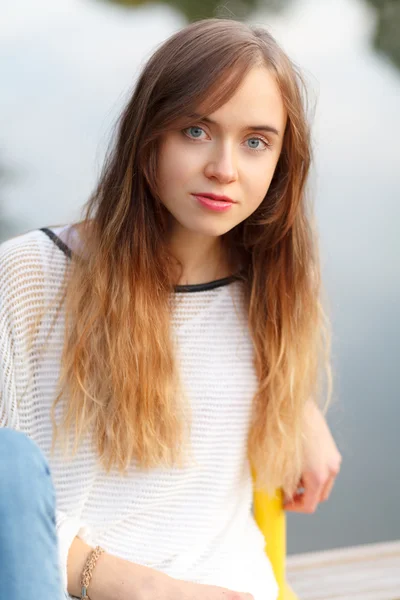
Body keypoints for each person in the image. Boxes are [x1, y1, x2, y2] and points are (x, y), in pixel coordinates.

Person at [0, 18, 342, 600]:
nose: (225, 169)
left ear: (283, 164)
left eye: (256, 142)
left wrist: (295, 404)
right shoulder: (32, 276)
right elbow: (8, 507)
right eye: (195, 130)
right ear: (147, 137)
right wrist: (150, 589)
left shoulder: (272, 290)